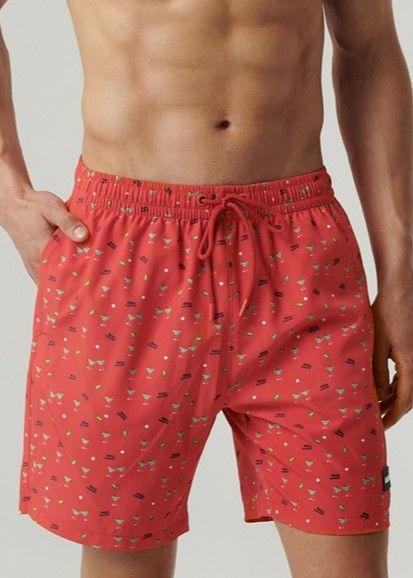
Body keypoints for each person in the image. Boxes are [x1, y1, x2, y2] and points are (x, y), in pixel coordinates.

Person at [0, 1, 412, 577]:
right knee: (124, 560)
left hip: (302, 258)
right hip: (126, 259)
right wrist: (10, 193)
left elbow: (369, 50)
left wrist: (402, 279)